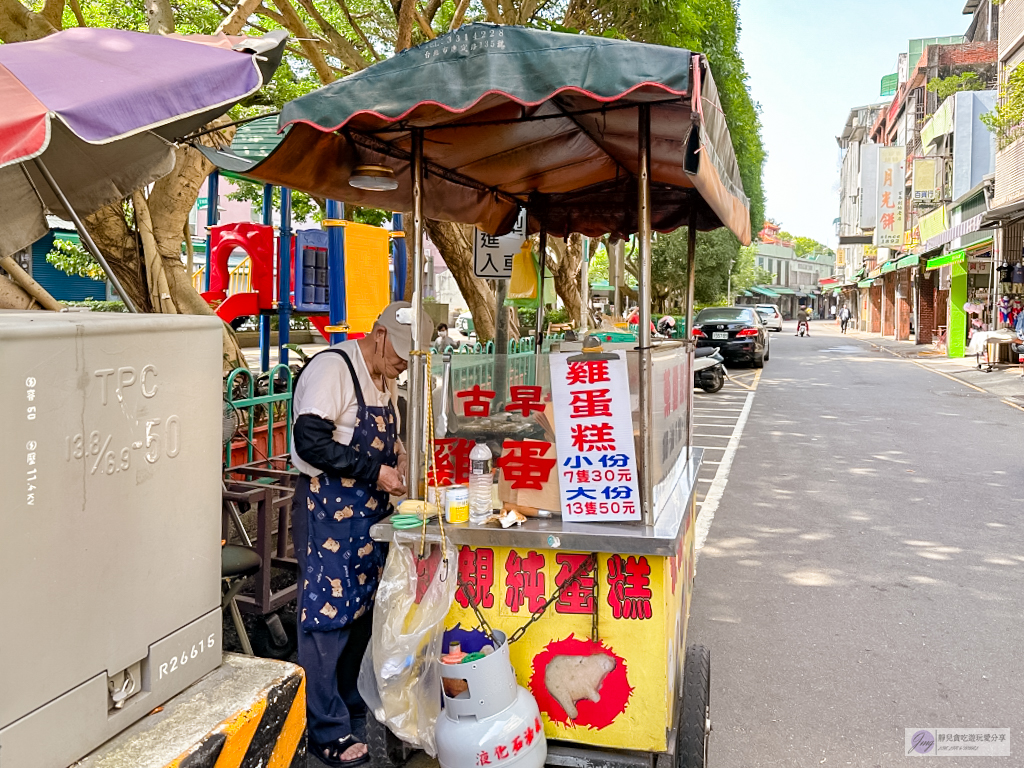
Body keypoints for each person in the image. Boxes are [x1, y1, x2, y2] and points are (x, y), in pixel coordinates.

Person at [290, 301, 429, 767]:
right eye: (400, 353)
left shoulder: (383, 379)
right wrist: (377, 470)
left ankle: (348, 709)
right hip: (325, 509)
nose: (402, 364)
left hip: (364, 514)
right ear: (380, 334)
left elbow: (381, 437)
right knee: (326, 619)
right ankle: (322, 733)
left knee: (358, 614)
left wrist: (402, 456)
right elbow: (309, 439)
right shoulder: (335, 369)